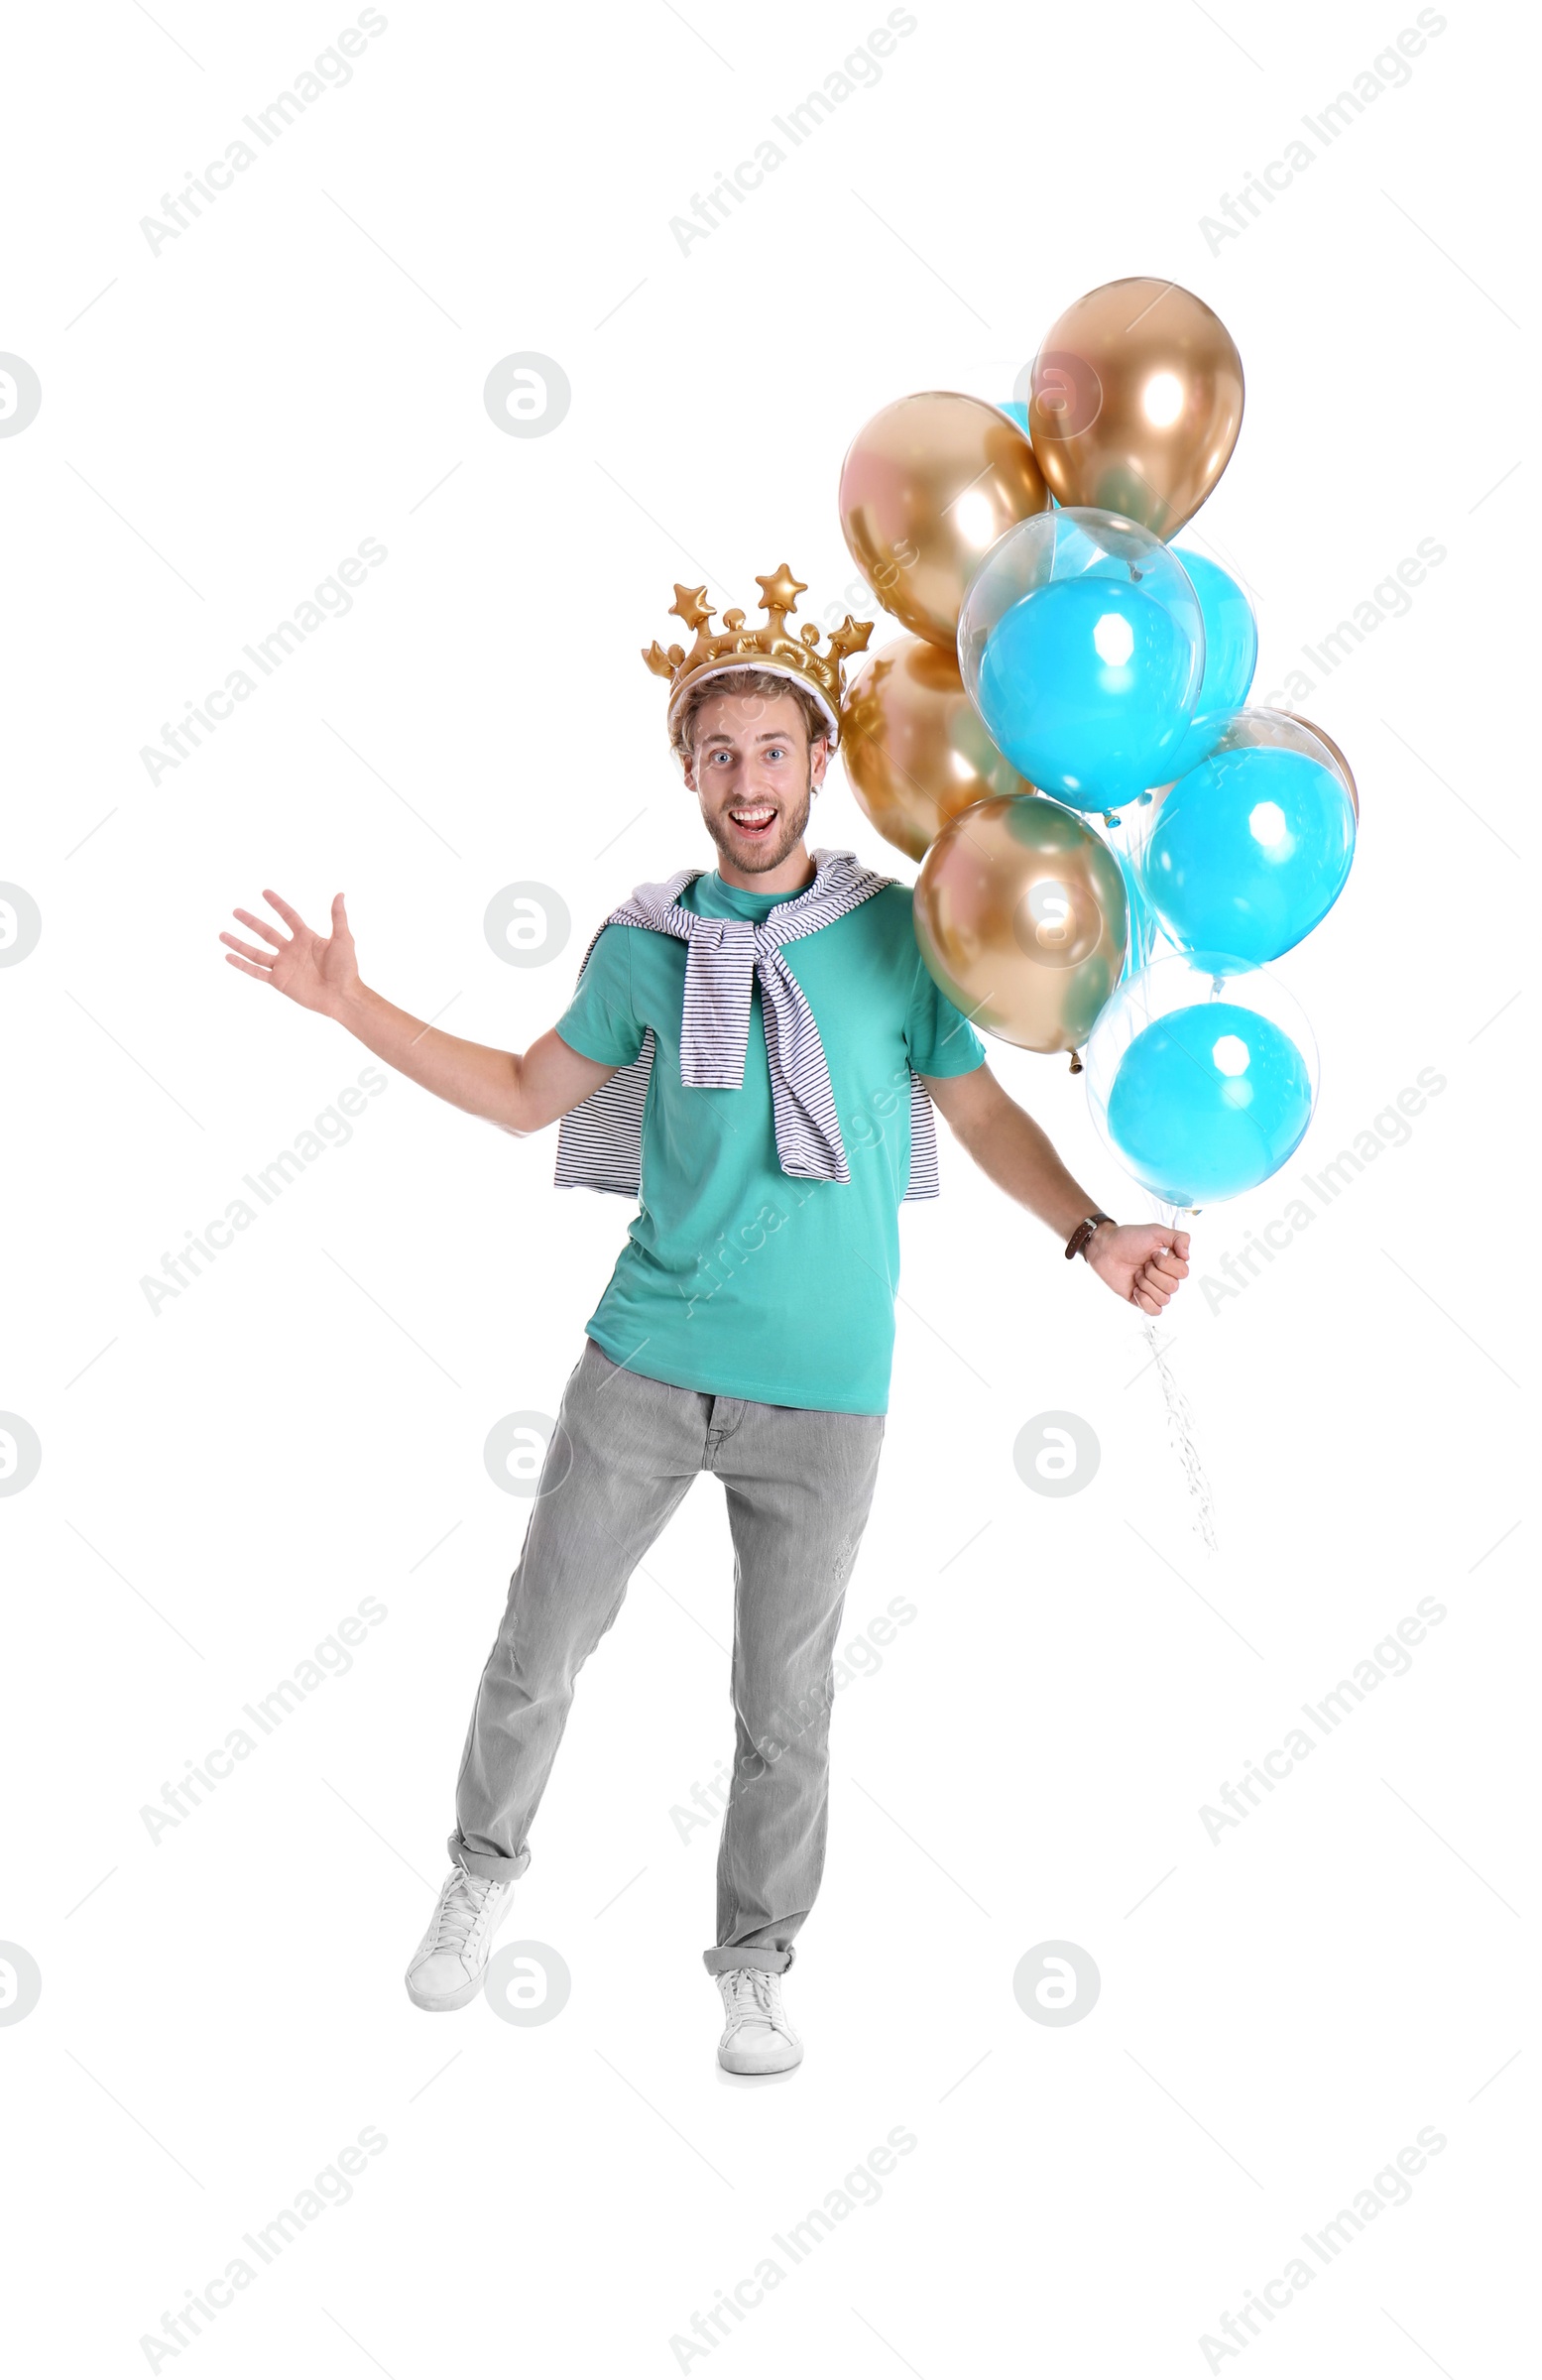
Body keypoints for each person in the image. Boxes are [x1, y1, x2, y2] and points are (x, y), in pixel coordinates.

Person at [219, 563, 1190, 2075]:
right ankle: (479, 1880)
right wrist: (356, 1006)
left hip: (826, 1395)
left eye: (775, 749)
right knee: (538, 1646)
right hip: (648, 1362)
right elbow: (522, 1095)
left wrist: (1090, 1230)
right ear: (689, 771)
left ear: (818, 763)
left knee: (785, 1708)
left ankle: (754, 1962)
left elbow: (984, 1113)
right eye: (720, 752)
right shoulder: (645, 947)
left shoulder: (894, 935)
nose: (750, 780)